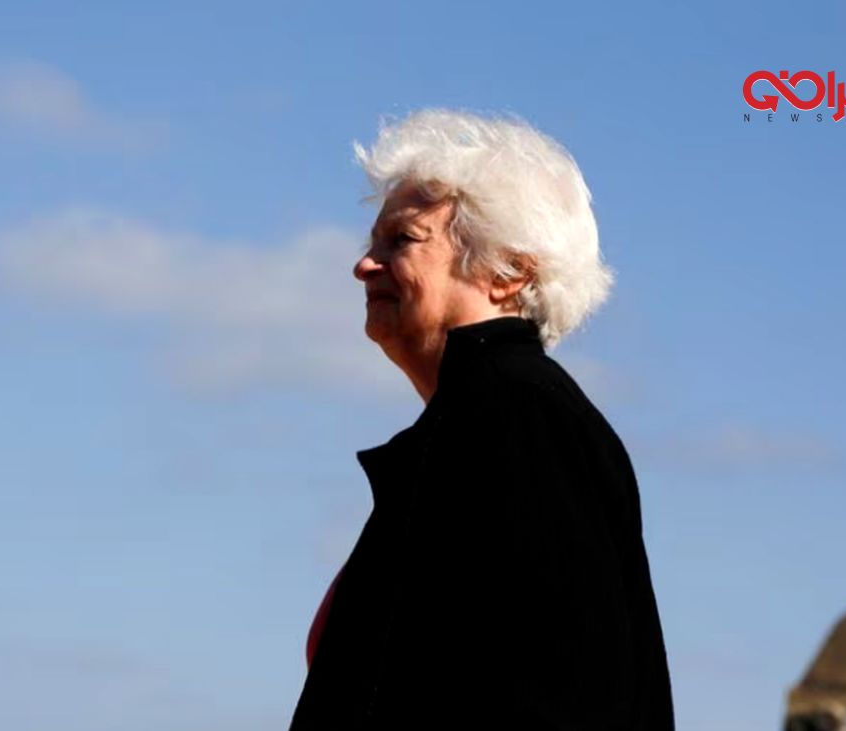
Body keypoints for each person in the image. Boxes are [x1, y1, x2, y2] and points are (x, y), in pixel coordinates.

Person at [288, 109, 674, 730]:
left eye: (402, 240)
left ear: (508, 272)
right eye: (372, 243)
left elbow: (557, 692)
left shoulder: (520, 414)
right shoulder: (487, 414)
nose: (364, 265)